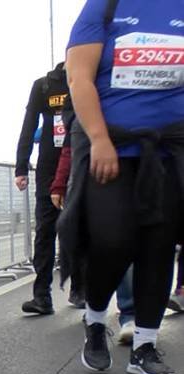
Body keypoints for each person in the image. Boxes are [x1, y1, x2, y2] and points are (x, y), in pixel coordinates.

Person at [59, 0, 184, 374]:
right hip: (110, 145)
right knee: (114, 241)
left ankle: (145, 345)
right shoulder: (105, 7)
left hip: (169, 149)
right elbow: (79, 78)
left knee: (160, 246)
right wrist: (98, 138)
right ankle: (96, 319)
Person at [50, 107, 135, 344]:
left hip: (131, 169)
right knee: (98, 246)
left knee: (127, 245)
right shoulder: (80, 96)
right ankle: (96, 313)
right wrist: (59, 184)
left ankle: (129, 314)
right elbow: (69, 148)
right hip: (89, 176)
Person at [15, 61, 84, 315]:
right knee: (45, 233)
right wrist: (21, 166)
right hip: (47, 169)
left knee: (80, 229)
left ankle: (80, 289)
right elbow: (29, 124)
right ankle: (41, 296)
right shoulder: (43, 86)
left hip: (81, 163)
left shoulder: (88, 78)